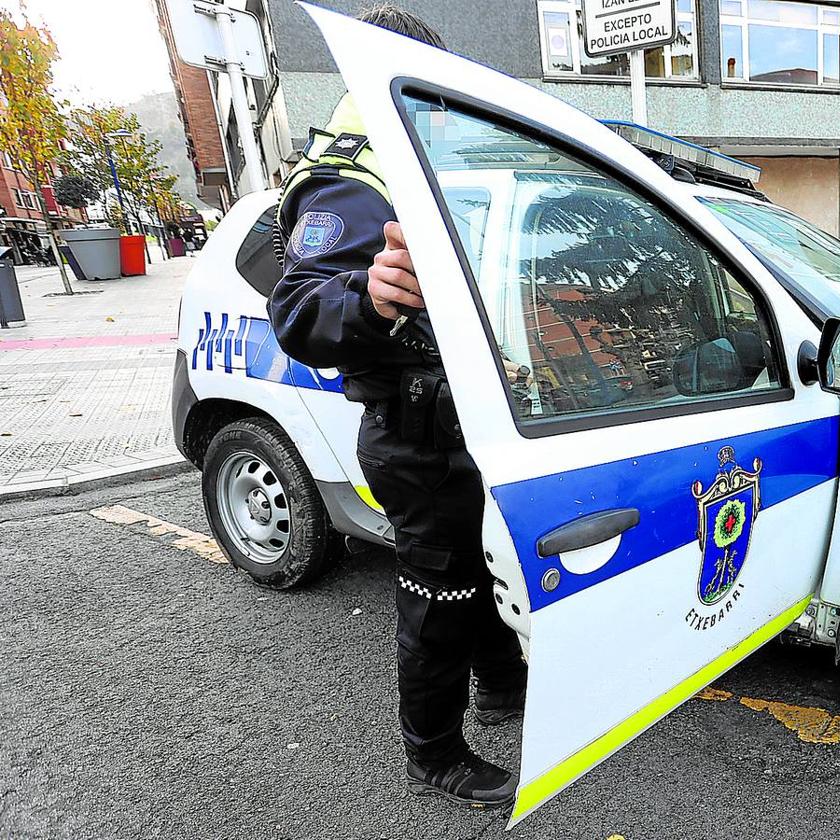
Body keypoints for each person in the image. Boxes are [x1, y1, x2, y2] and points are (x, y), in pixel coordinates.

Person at [267, 4, 527, 808]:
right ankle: (436, 756)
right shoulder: (354, 175)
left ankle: (500, 686)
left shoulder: (426, 157)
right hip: (418, 435)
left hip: (466, 421)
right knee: (439, 594)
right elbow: (297, 307)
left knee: (476, 570)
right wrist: (367, 294)